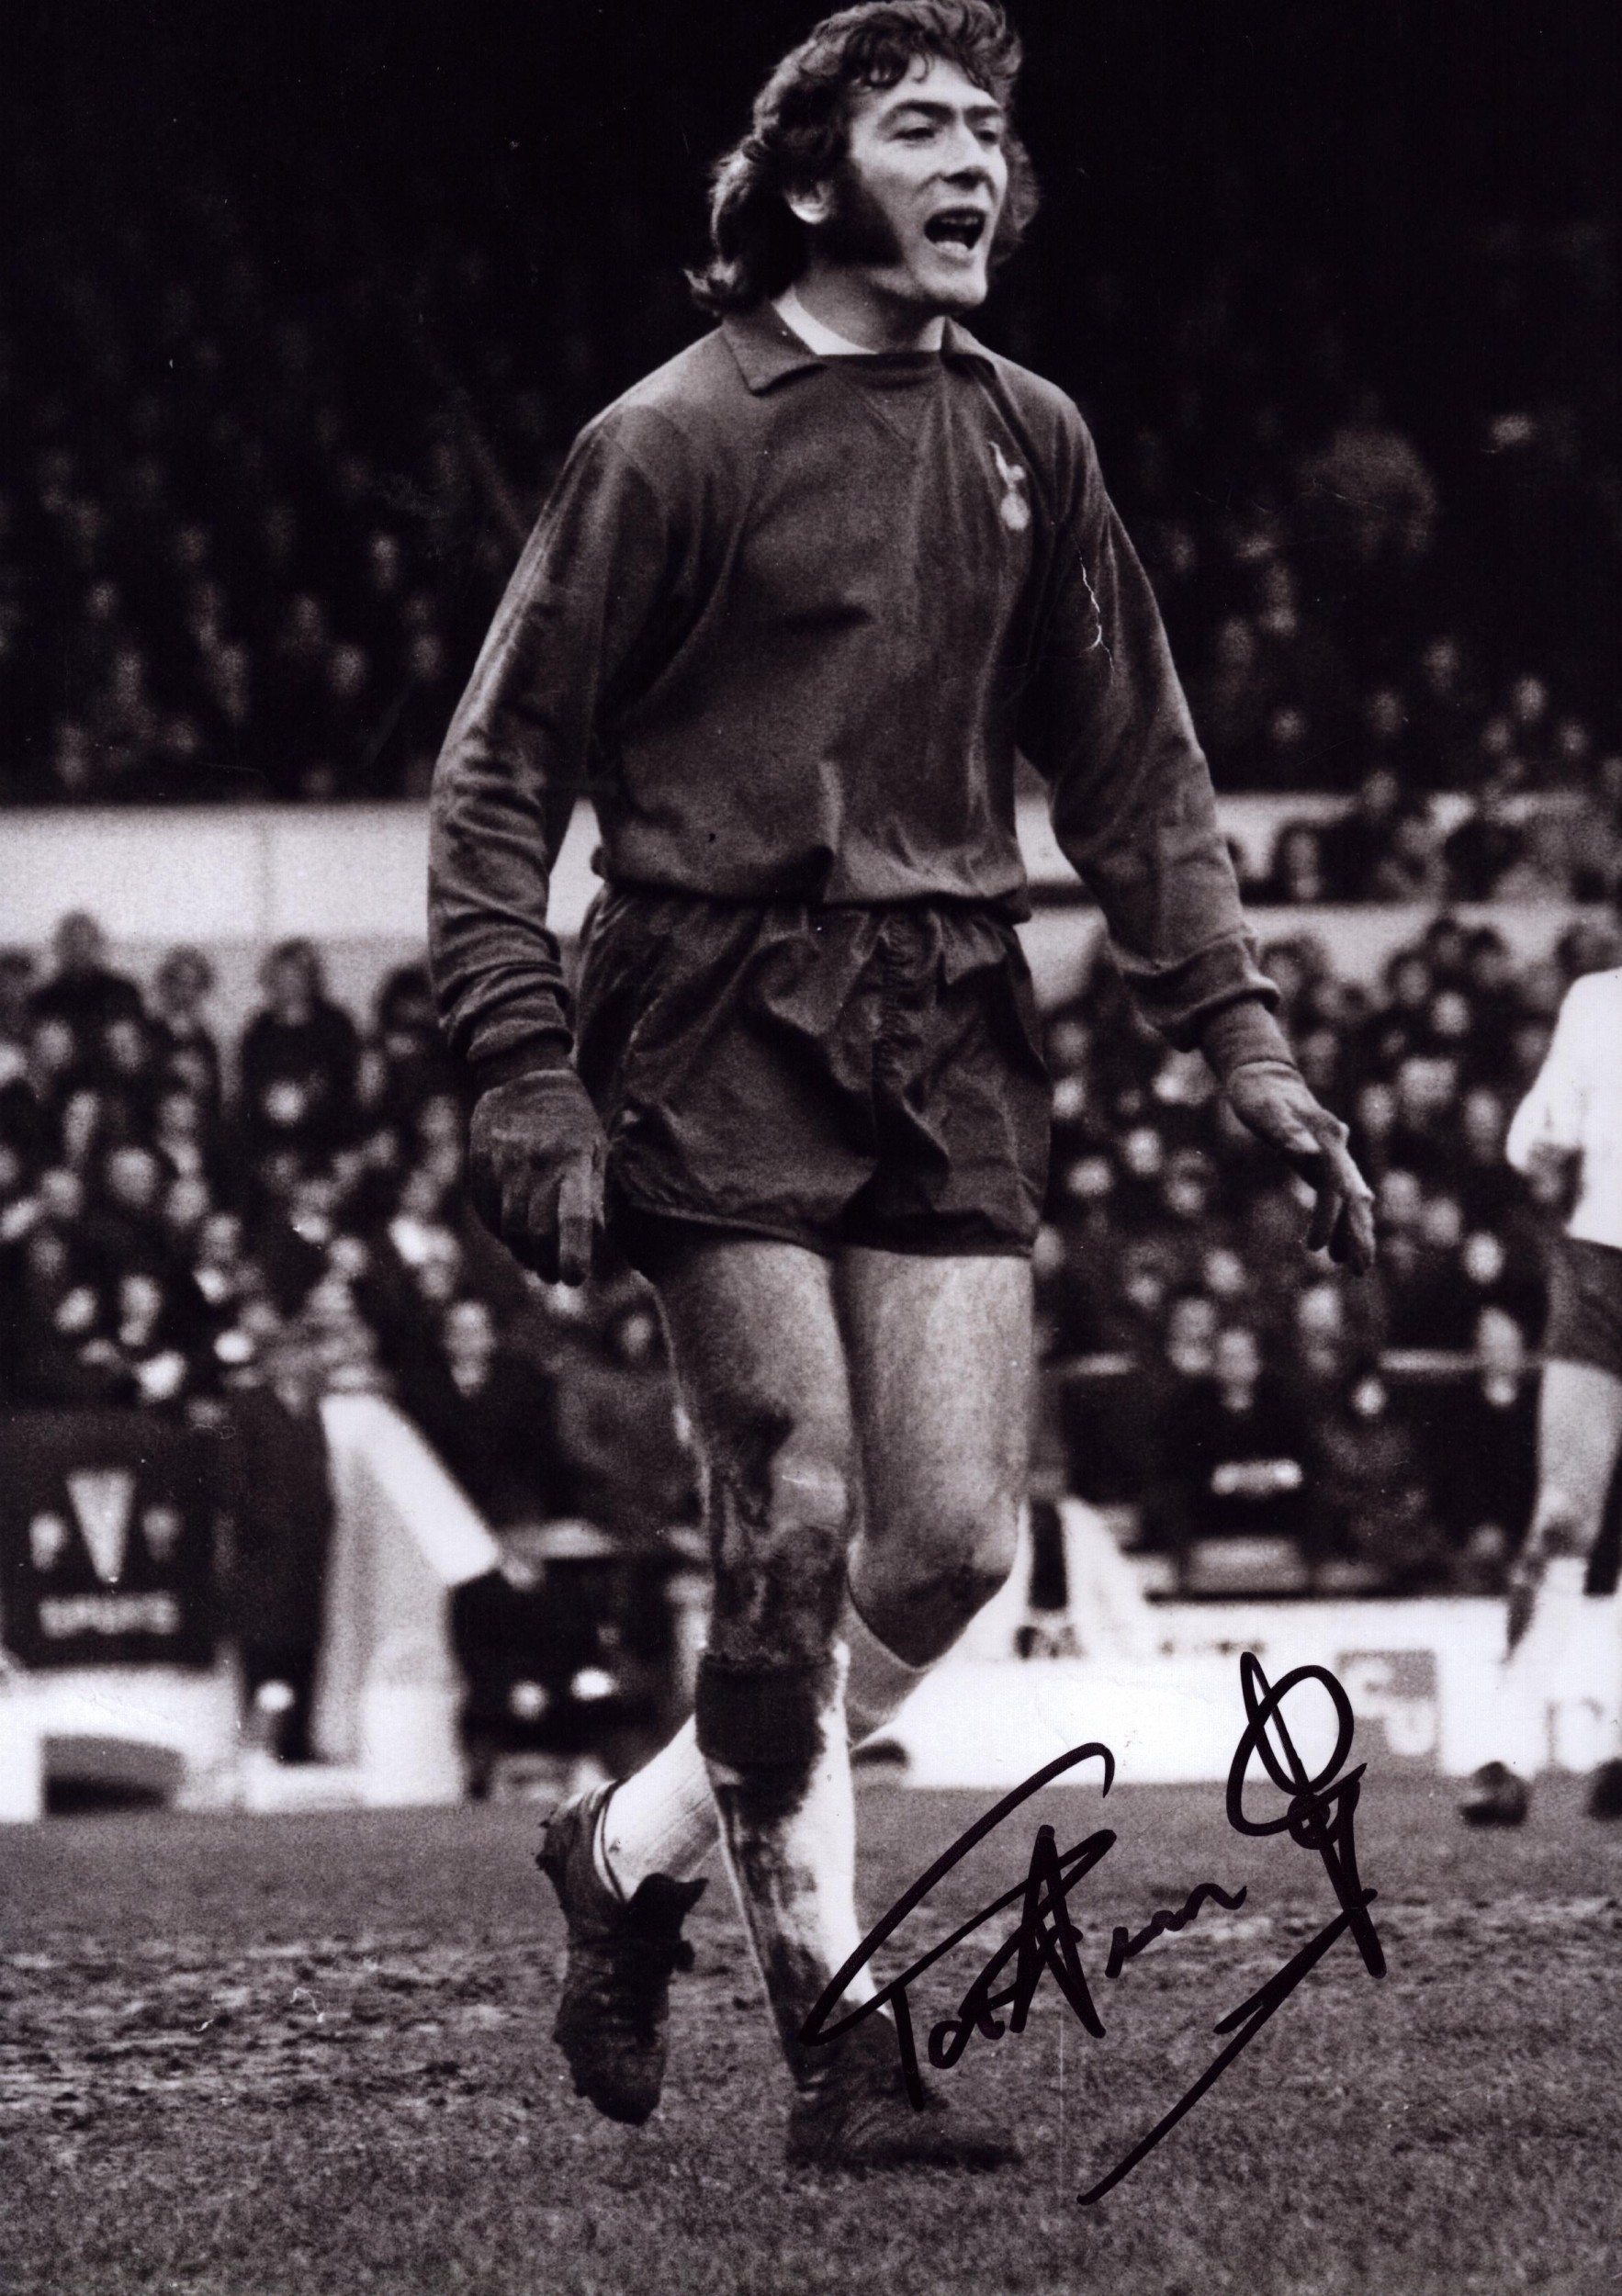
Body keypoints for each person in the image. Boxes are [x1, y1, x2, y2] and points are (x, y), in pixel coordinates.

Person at [428, 0, 1375, 2172]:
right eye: (922, 123)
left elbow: (1135, 770)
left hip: (947, 1002)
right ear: (802, 180)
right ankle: (841, 2043)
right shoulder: (668, 439)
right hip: (705, 994)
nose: (976, 160)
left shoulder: (1033, 433)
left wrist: (1240, 1039)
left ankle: (624, 1848)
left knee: (947, 1547)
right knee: (792, 1511)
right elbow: (496, 780)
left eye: (990, 130)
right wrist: (521, 1065)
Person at [1460, 962, 1622, 1826]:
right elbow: (1533, 1132)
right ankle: (1505, 1752)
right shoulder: (1598, 1000)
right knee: (1562, 1518)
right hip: (1600, 1273)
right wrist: (1545, 1149)